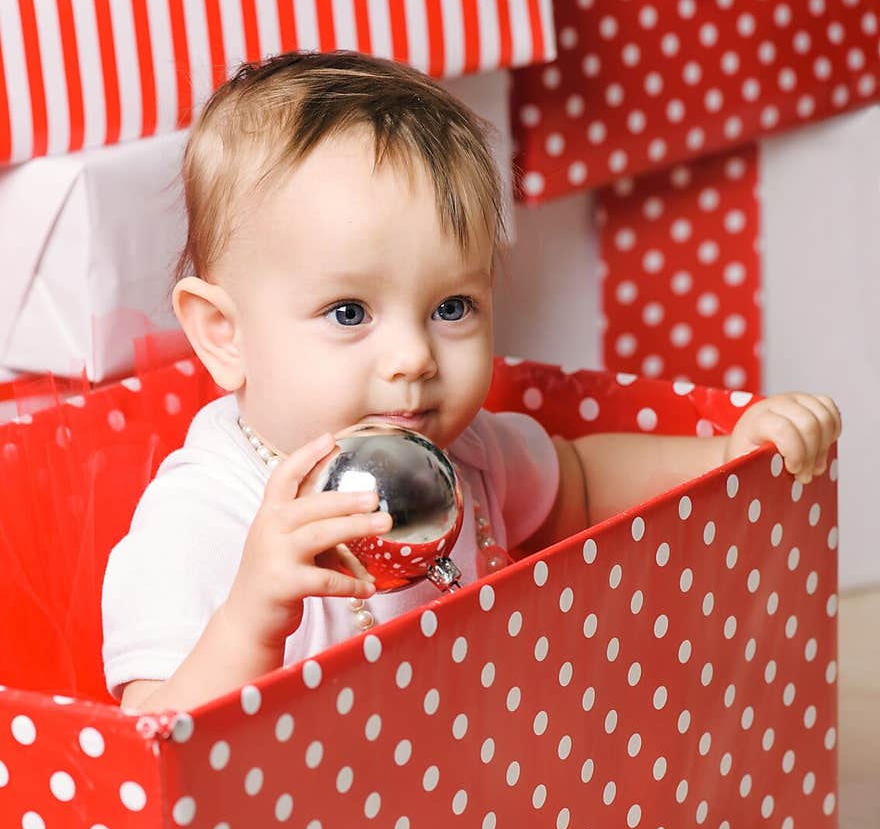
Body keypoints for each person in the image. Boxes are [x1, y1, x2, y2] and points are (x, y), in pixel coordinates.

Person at [102, 50, 842, 715]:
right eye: (349, 311)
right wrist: (250, 614)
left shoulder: (468, 457)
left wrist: (726, 458)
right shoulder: (204, 516)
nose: (413, 358)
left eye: (451, 306)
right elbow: (153, 741)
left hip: (469, 806)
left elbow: (581, 479)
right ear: (223, 335)